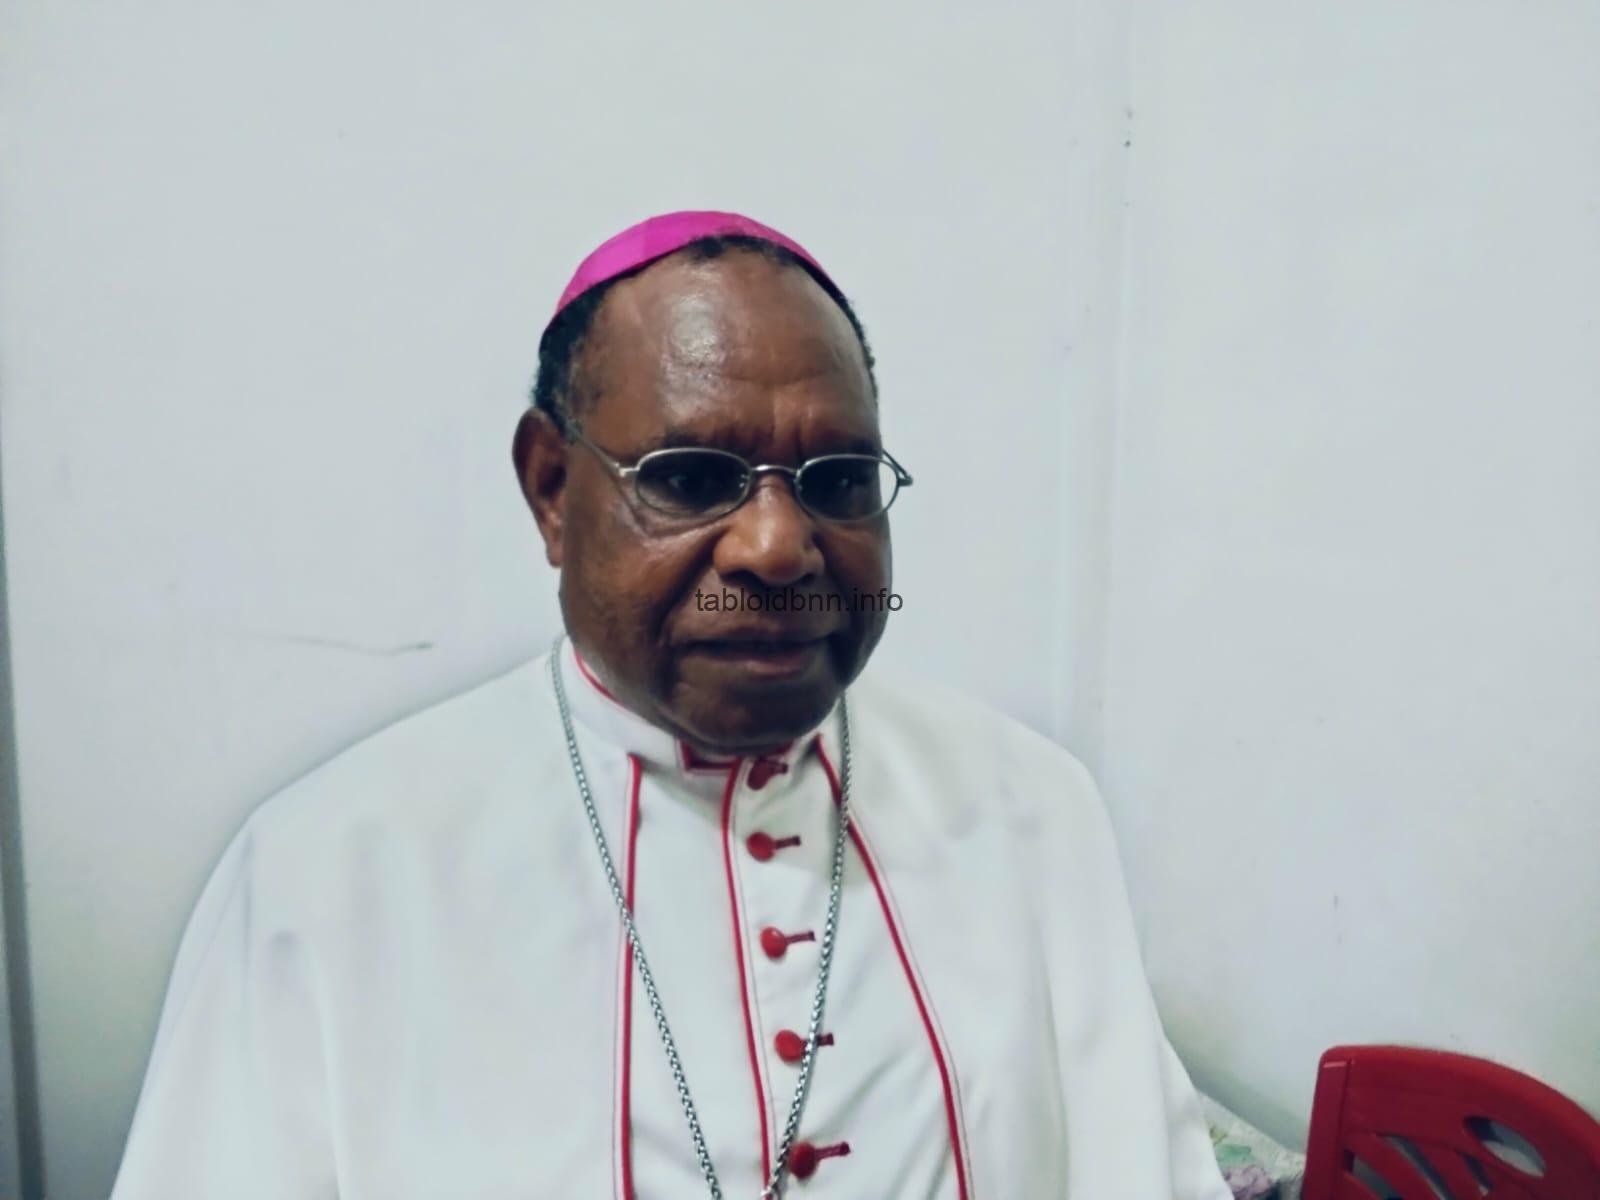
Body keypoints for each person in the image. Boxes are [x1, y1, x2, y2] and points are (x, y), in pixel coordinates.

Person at [112, 210, 1232, 1199]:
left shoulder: (1031, 810)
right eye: (691, 478)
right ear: (552, 490)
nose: (778, 547)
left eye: (839, 481)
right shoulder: (326, 875)